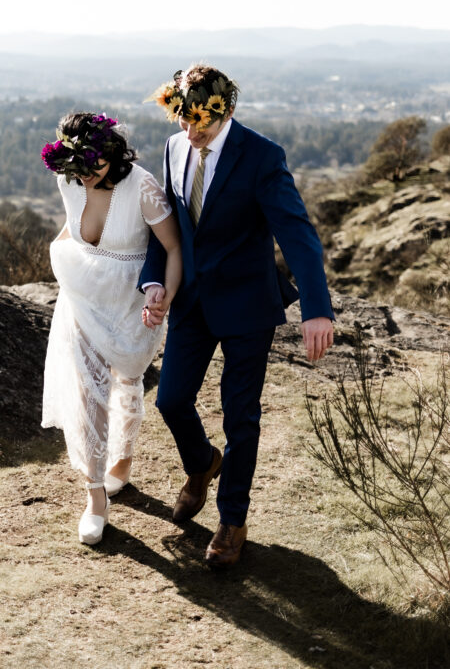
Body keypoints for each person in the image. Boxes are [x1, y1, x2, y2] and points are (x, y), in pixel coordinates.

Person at [140, 64, 334, 568]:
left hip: (249, 305)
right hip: (192, 303)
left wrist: (316, 310)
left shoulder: (263, 156)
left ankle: (232, 519)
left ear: (226, 111)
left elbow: (298, 235)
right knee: (170, 399)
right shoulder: (173, 148)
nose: (189, 131)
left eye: (199, 122)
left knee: (240, 415)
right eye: (181, 120)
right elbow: (171, 231)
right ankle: (202, 464)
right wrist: (155, 279)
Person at [40, 112, 182, 545]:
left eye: (94, 166)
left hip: (129, 303)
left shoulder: (141, 187)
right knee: (89, 390)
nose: (85, 177)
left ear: (114, 154)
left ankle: (122, 462)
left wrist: (166, 298)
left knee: (126, 381)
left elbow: (173, 247)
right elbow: (72, 227)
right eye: (77, 168)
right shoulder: (69, 180)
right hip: (82, 296)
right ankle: (95, 496)